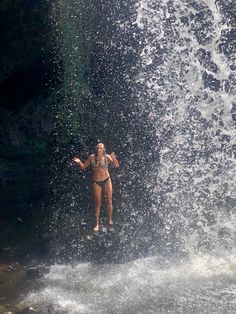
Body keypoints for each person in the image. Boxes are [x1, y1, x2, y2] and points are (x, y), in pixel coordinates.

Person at [73, 143, 119, 231]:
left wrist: (114, 158)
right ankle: (97, 224)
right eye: (98, 147)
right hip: (96, 182)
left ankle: (110, 220)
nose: (99, 148)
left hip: (106, 180)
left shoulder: (107, 157)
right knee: (97, 203)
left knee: (109, 201)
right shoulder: (91, 157)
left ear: (103, 149)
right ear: (96, 148)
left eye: (101, 147)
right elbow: (83, 167)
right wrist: (79, 162)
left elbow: (116, 165)